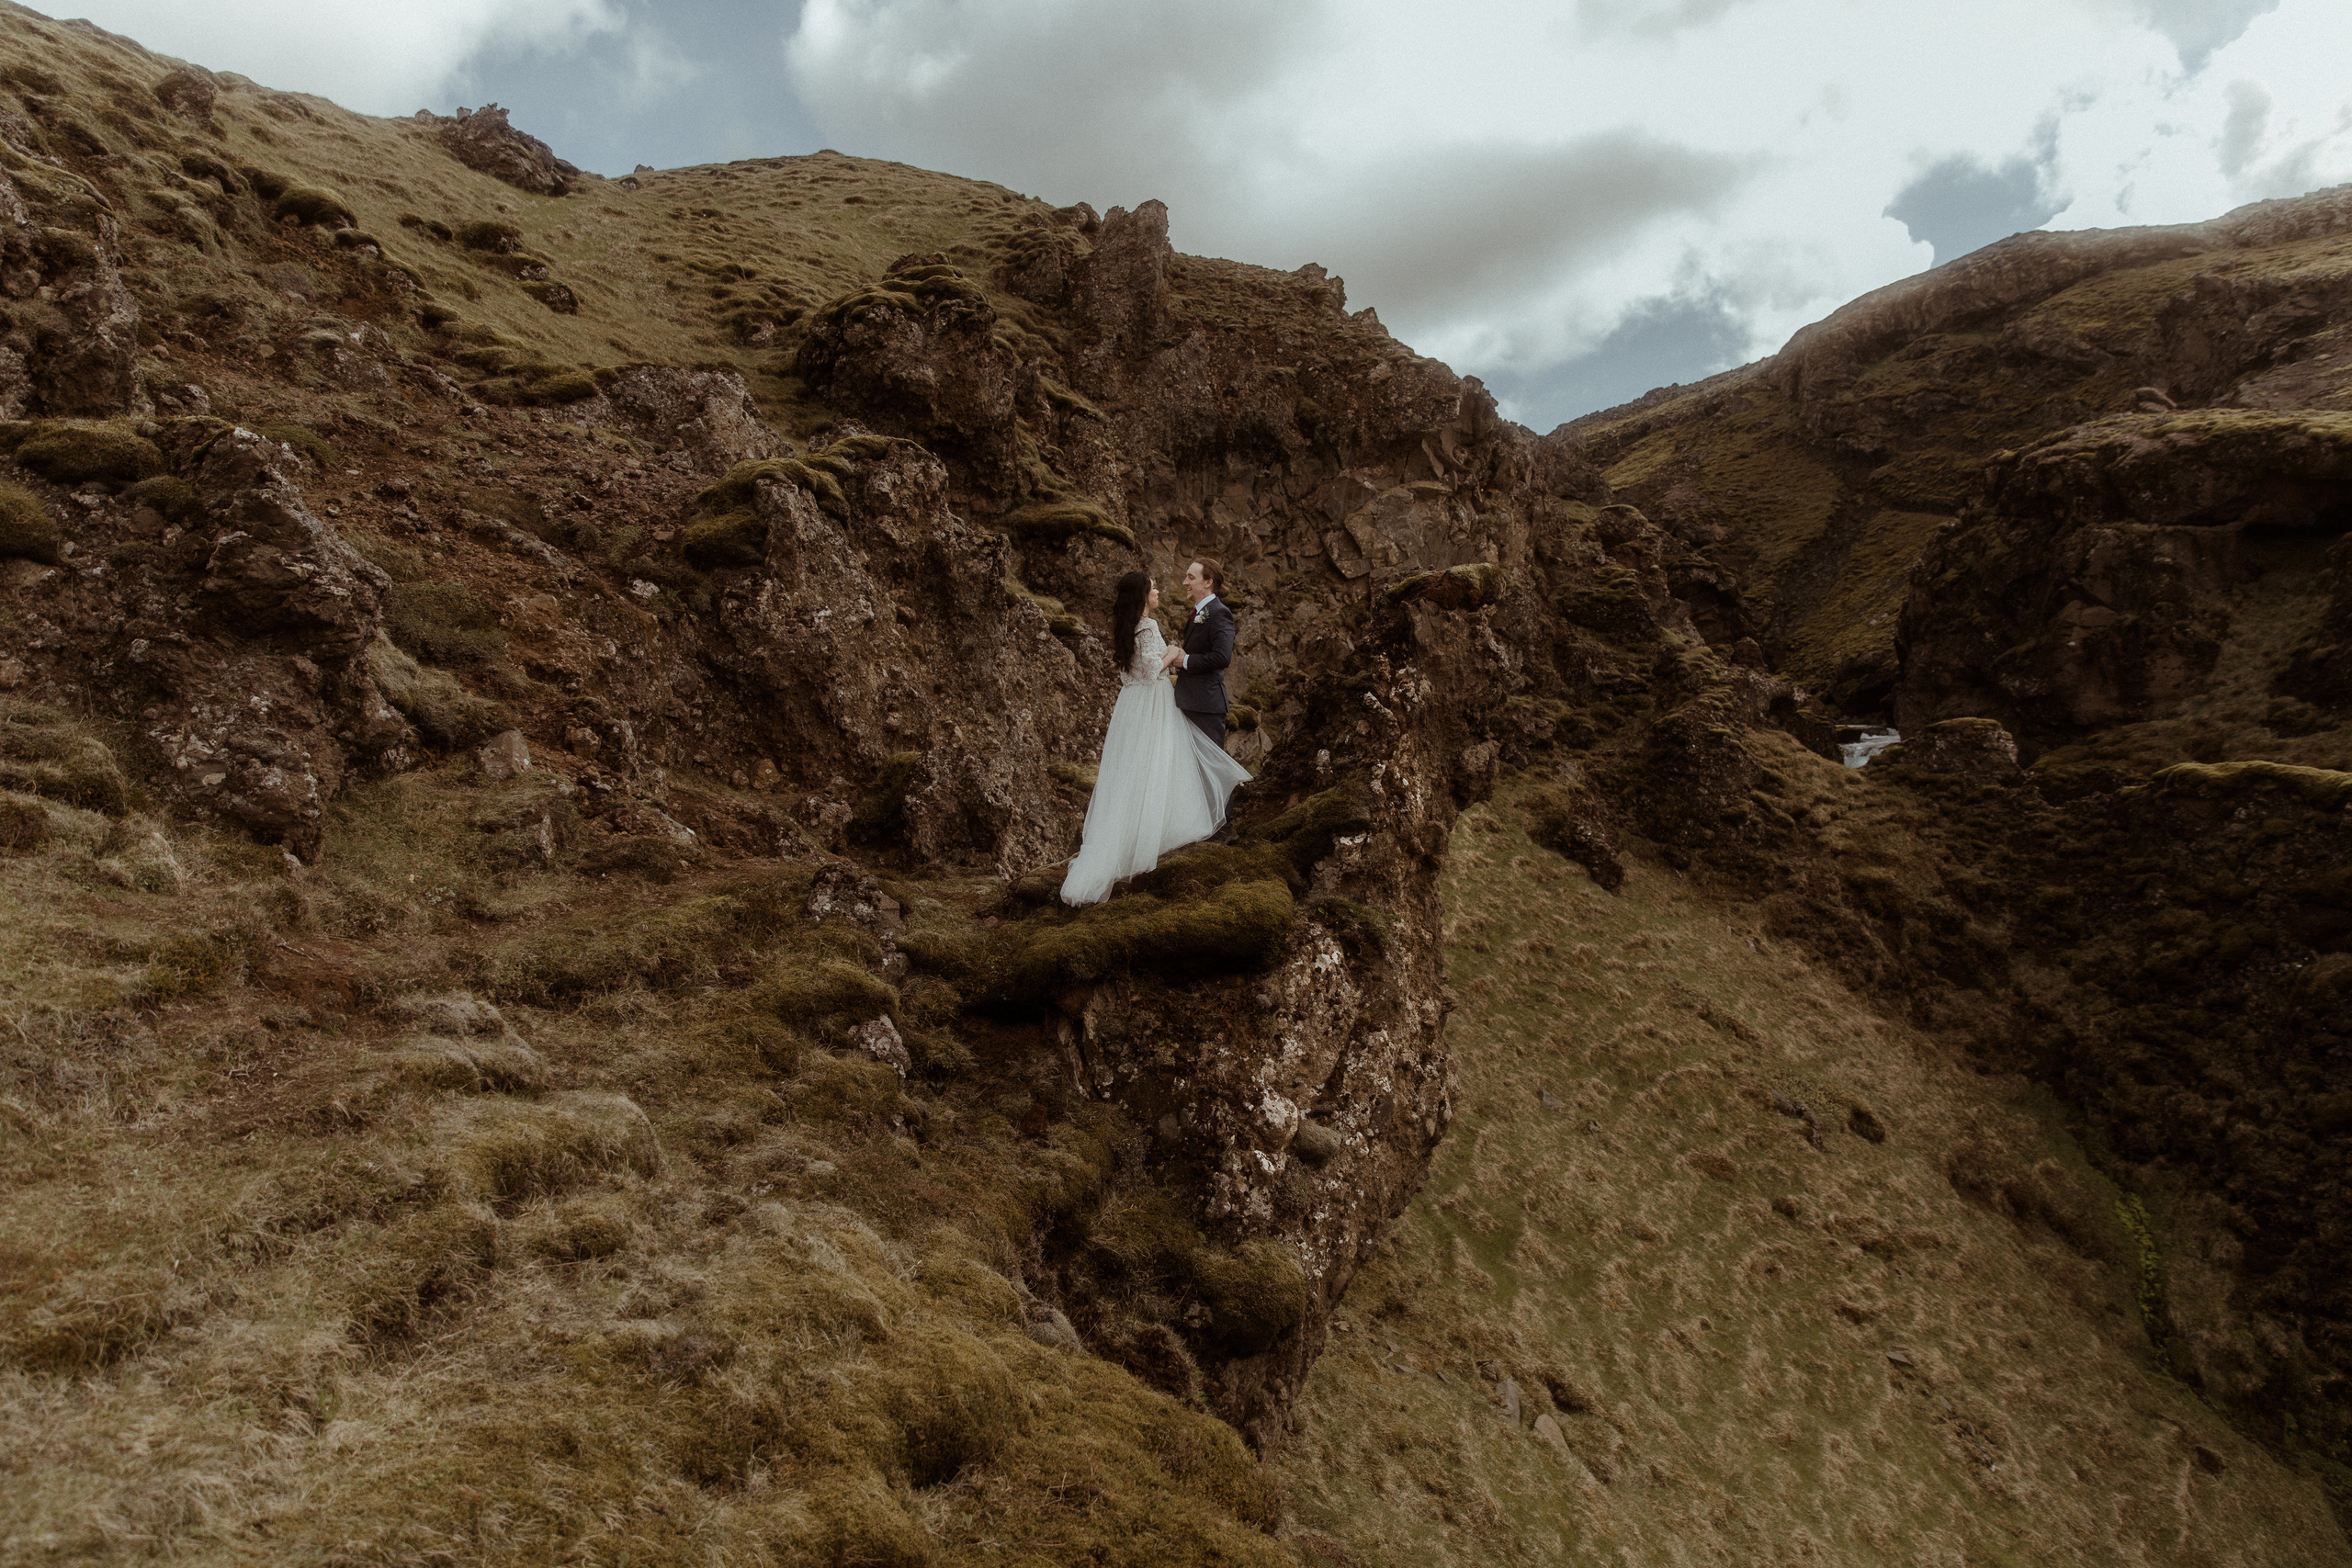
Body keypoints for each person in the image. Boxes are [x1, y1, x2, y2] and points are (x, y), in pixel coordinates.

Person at [1060, 569, 1250, 907]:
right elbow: (1150, 670)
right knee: (1157, 762)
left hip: (1132, 704)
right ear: (1142, 596)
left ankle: (1130, 833)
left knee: (1135, 767)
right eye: (1153, 587)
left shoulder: (1126, 625)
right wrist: (1174, 653)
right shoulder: (1147, 625)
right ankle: (1157, 833)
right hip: (1151, 701)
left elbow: (1131, 670)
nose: (1160, 590)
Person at [1170, 557, 1235, 746]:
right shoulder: (1198, 612)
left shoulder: (1219, 612)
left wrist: (1185, 661)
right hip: (1189, 701)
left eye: (1191, 577)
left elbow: (1222, 657)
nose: (1185, 583)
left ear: (1208, 582)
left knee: (1208, 762)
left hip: (1206, 705)